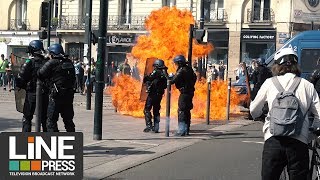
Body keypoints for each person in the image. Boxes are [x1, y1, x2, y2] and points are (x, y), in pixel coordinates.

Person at [250, 47, 320, 180]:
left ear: (277, 66)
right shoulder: (307, 85)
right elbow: (319, 115)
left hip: (273, 140)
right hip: (299, 141)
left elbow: (254, 110)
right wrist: (313, 131)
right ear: (296, 65)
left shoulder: (269, 83)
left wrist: (258, 116)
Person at [38, 44, 76, 132]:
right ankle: (73, 142)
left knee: (51, 121)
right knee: (68, 120)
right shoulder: (69, 62)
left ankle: (54, 142)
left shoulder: (52, 62)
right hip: (68, 95)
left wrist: (46, 61)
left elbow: (40, 73)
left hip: (56, 95)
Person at [15, 40, 49, 132]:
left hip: (32, 93)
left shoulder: (29, 62)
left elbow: (21, 78)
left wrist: (20, 85)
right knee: (44, 119)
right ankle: (48, 141)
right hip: (45, 94)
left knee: (27, 118)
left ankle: (26, 141)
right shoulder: (47, 62)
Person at [169, 55, 197, 136]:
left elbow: (172, 81)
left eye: (177, 63)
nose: (176, 65)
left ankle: (181, 130)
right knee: (187, 111)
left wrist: (168, 76)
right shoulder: (189, 69)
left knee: (181, 111)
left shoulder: (182, 70)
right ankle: (186, 130)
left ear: (180, 63)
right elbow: (194, 77)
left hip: (184, 93)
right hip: (190, 92)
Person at [142, 59, 167, 133]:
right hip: (159, 94)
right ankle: (156, 127)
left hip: (153, 94)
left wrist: (146, 77)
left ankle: (149, 125)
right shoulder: (164, 72)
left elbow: (150, 78)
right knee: (156, 110)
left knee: (147, 109)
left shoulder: (156, 71)